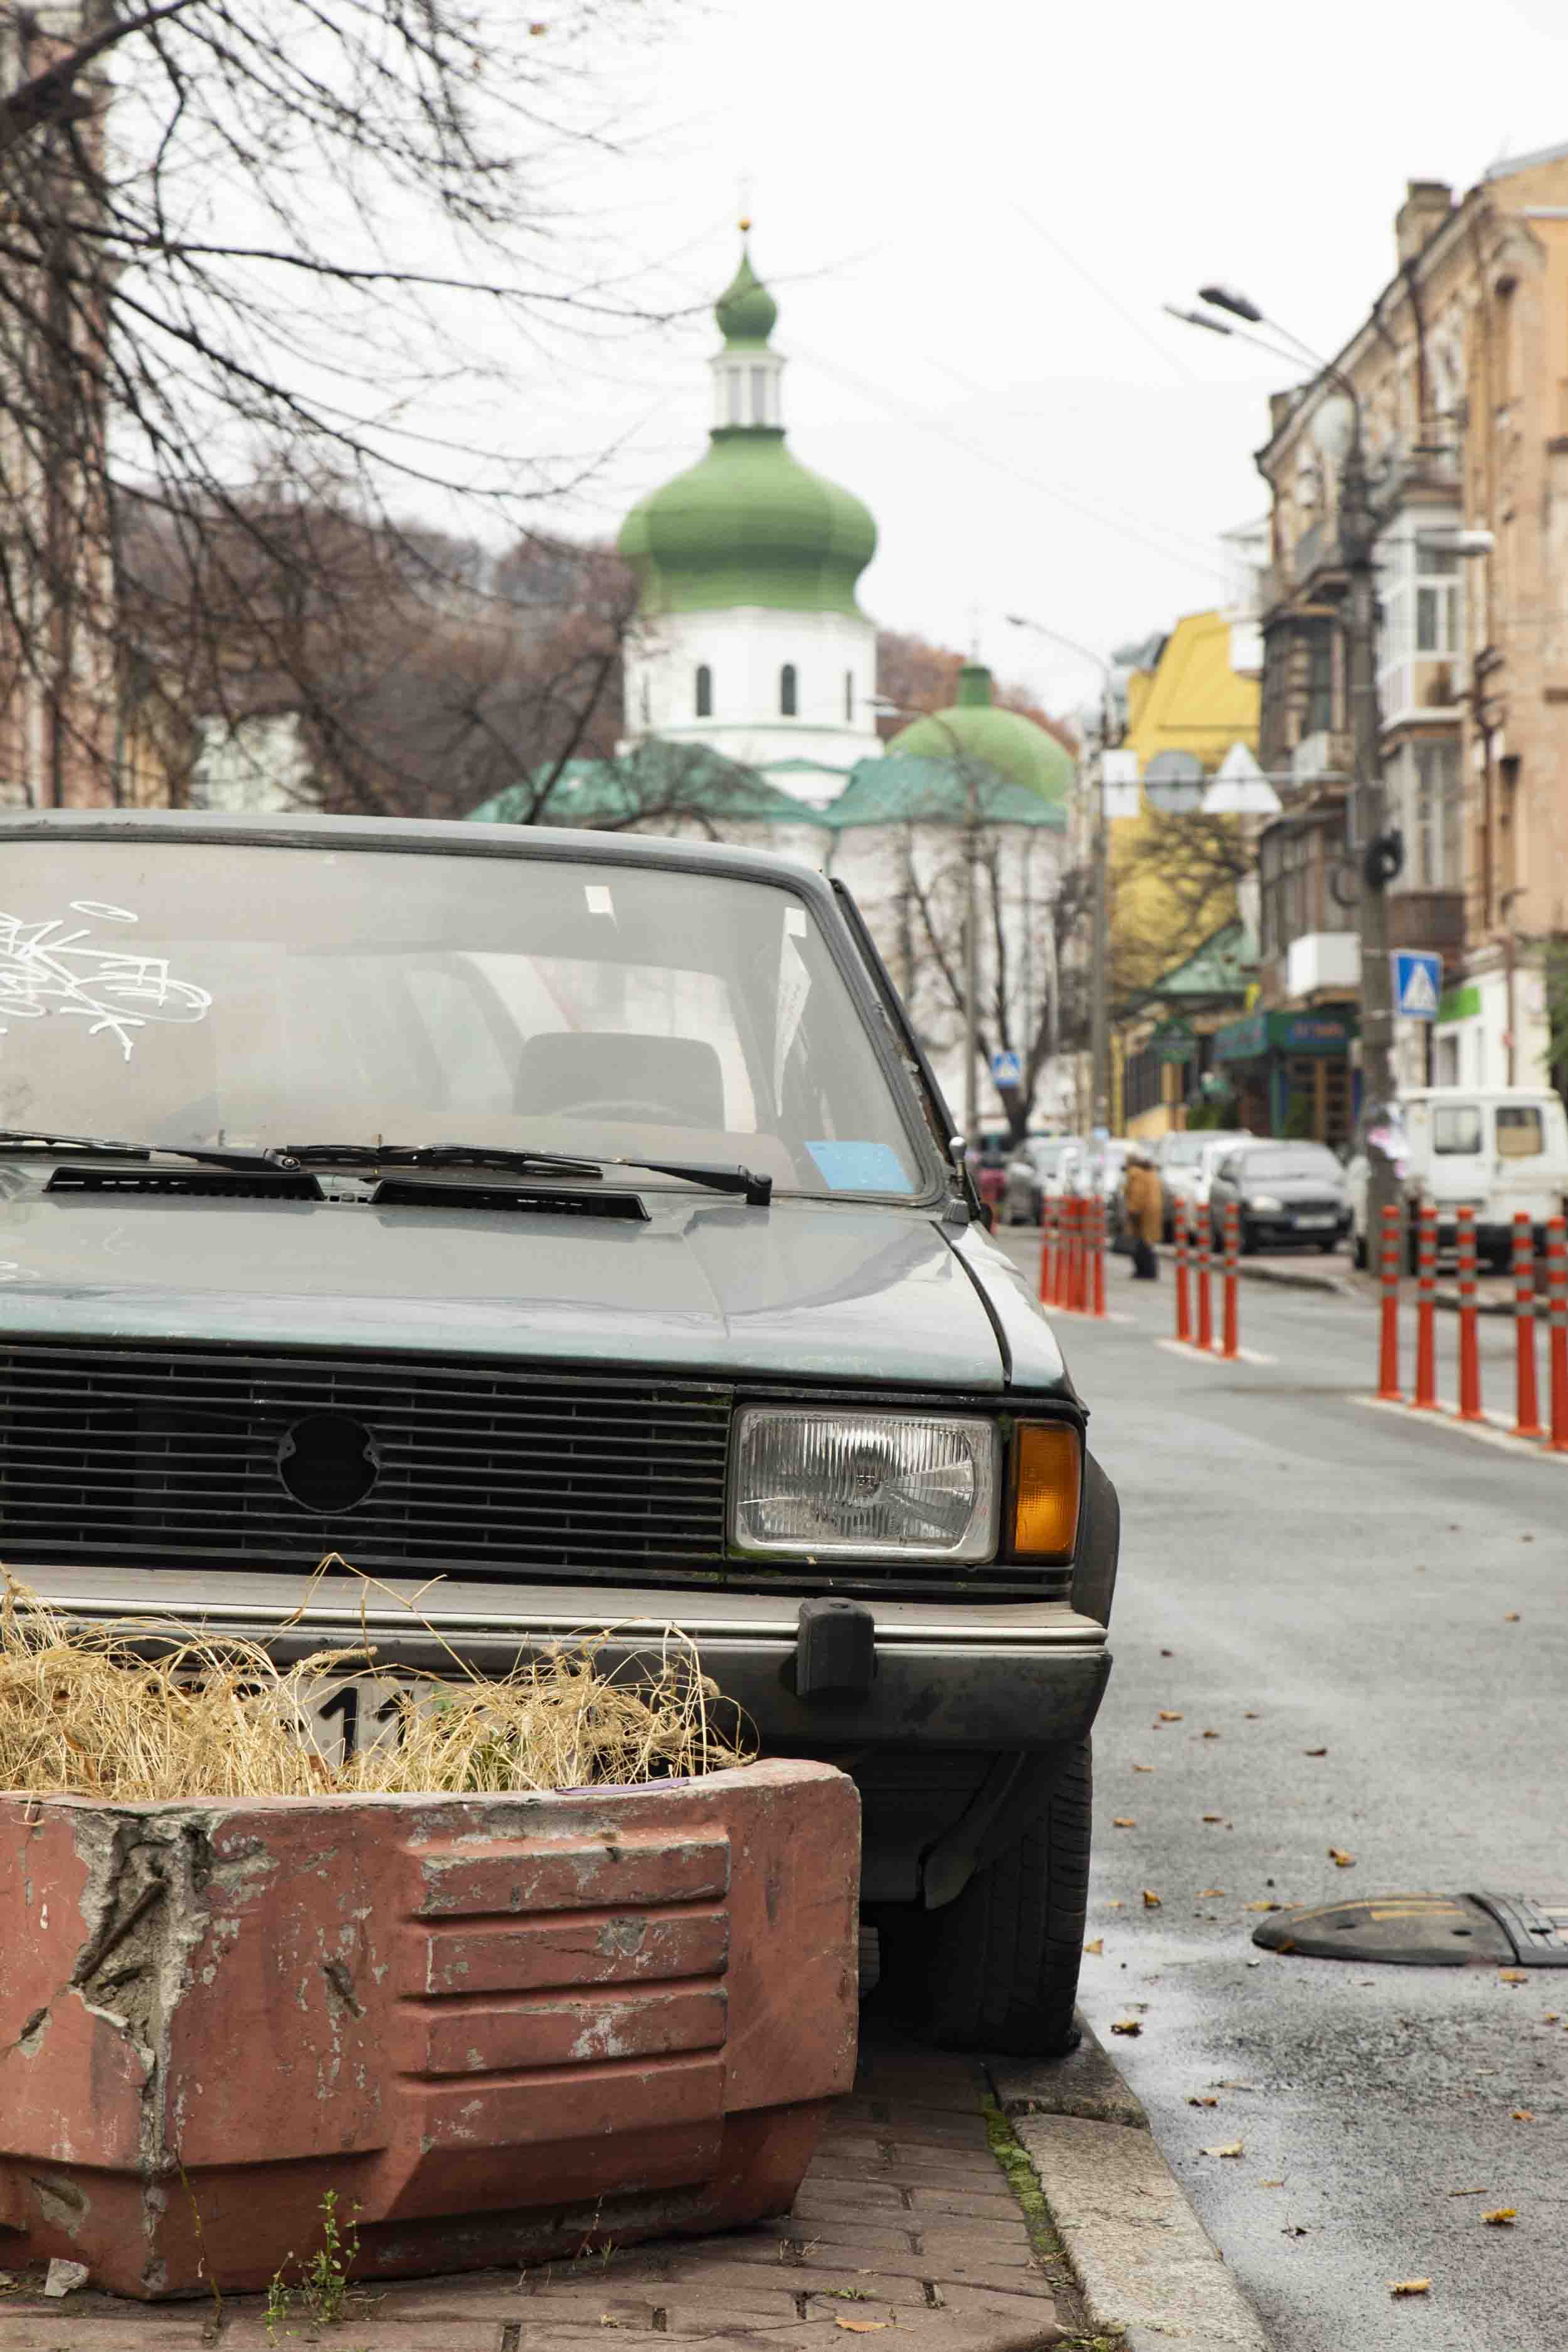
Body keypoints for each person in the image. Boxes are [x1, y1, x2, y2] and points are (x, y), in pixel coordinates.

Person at [1122, 1150, 1162, 1280]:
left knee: (1141, 1243)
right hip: (1152, 1212)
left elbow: (1137, 1195)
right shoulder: (1150, 1174)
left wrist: (1133, 1211)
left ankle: (1145, 1271)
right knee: (1147, 1243)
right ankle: (1149, 1270)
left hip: (1142, 1213)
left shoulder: (1135, 1174)